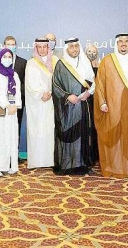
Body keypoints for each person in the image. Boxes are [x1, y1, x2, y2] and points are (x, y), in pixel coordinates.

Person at [94, 33, 128, 178]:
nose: (123, 44)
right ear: (116, 44)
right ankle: (116, 168)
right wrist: (102, 102)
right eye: (121, 42)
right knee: (116, 136)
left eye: (126, 41)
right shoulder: (107, 61)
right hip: (113, 106)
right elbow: (99, 83)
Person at [52, 38, 95, 175]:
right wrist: (67, 96)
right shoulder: (61, 64)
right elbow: (55, 85)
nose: (74, 49)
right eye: (71, 47)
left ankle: (83, 164)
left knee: (83, 134)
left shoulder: (85, 62)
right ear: (66, 49)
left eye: (77, 46)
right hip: (68, 108)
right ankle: (67, 164)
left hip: (83, 104)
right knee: (69, 134)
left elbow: (94, 82)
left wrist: (89, 93)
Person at [0, 49, 22, 177]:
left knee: (10, 138)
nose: (7, 58)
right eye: (5, 56)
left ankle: (9, 165)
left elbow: (18, 92)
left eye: (9, 56)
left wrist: (15, 105)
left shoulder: (14, 75)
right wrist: (7, 105)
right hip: (0, 111)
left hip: (12, 111)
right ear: (0, 58)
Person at [25, 38, 58, 169]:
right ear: (36, 48)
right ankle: (37, 161)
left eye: (45, 46)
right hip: (38, 104)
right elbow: (30, 84)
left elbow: (59, 79)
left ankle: (50, 160)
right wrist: (40, 94)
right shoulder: (31, 63)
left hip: (52, 101)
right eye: (40, 47)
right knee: (37, 130)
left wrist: (50, 92)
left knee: (50, 129)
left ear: (48, 48)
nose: (43, 49)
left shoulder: (55, 61)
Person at [4, 36, 27, 136]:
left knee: (16, 127)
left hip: (18, 101)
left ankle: (15, 151)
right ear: (4, 46)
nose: (11, 47)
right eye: (8, 44)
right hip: (2, 101)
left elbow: (24, 83)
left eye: (13, 44)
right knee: (3, 129)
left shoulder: (23, 62)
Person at [85, 43, 100, 163]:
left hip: (99, 99)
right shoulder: (84, 67)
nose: (92, 54)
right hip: (87, 98)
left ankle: (98, 154)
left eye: (94, 51)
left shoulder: (101, 65)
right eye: (89, 51)